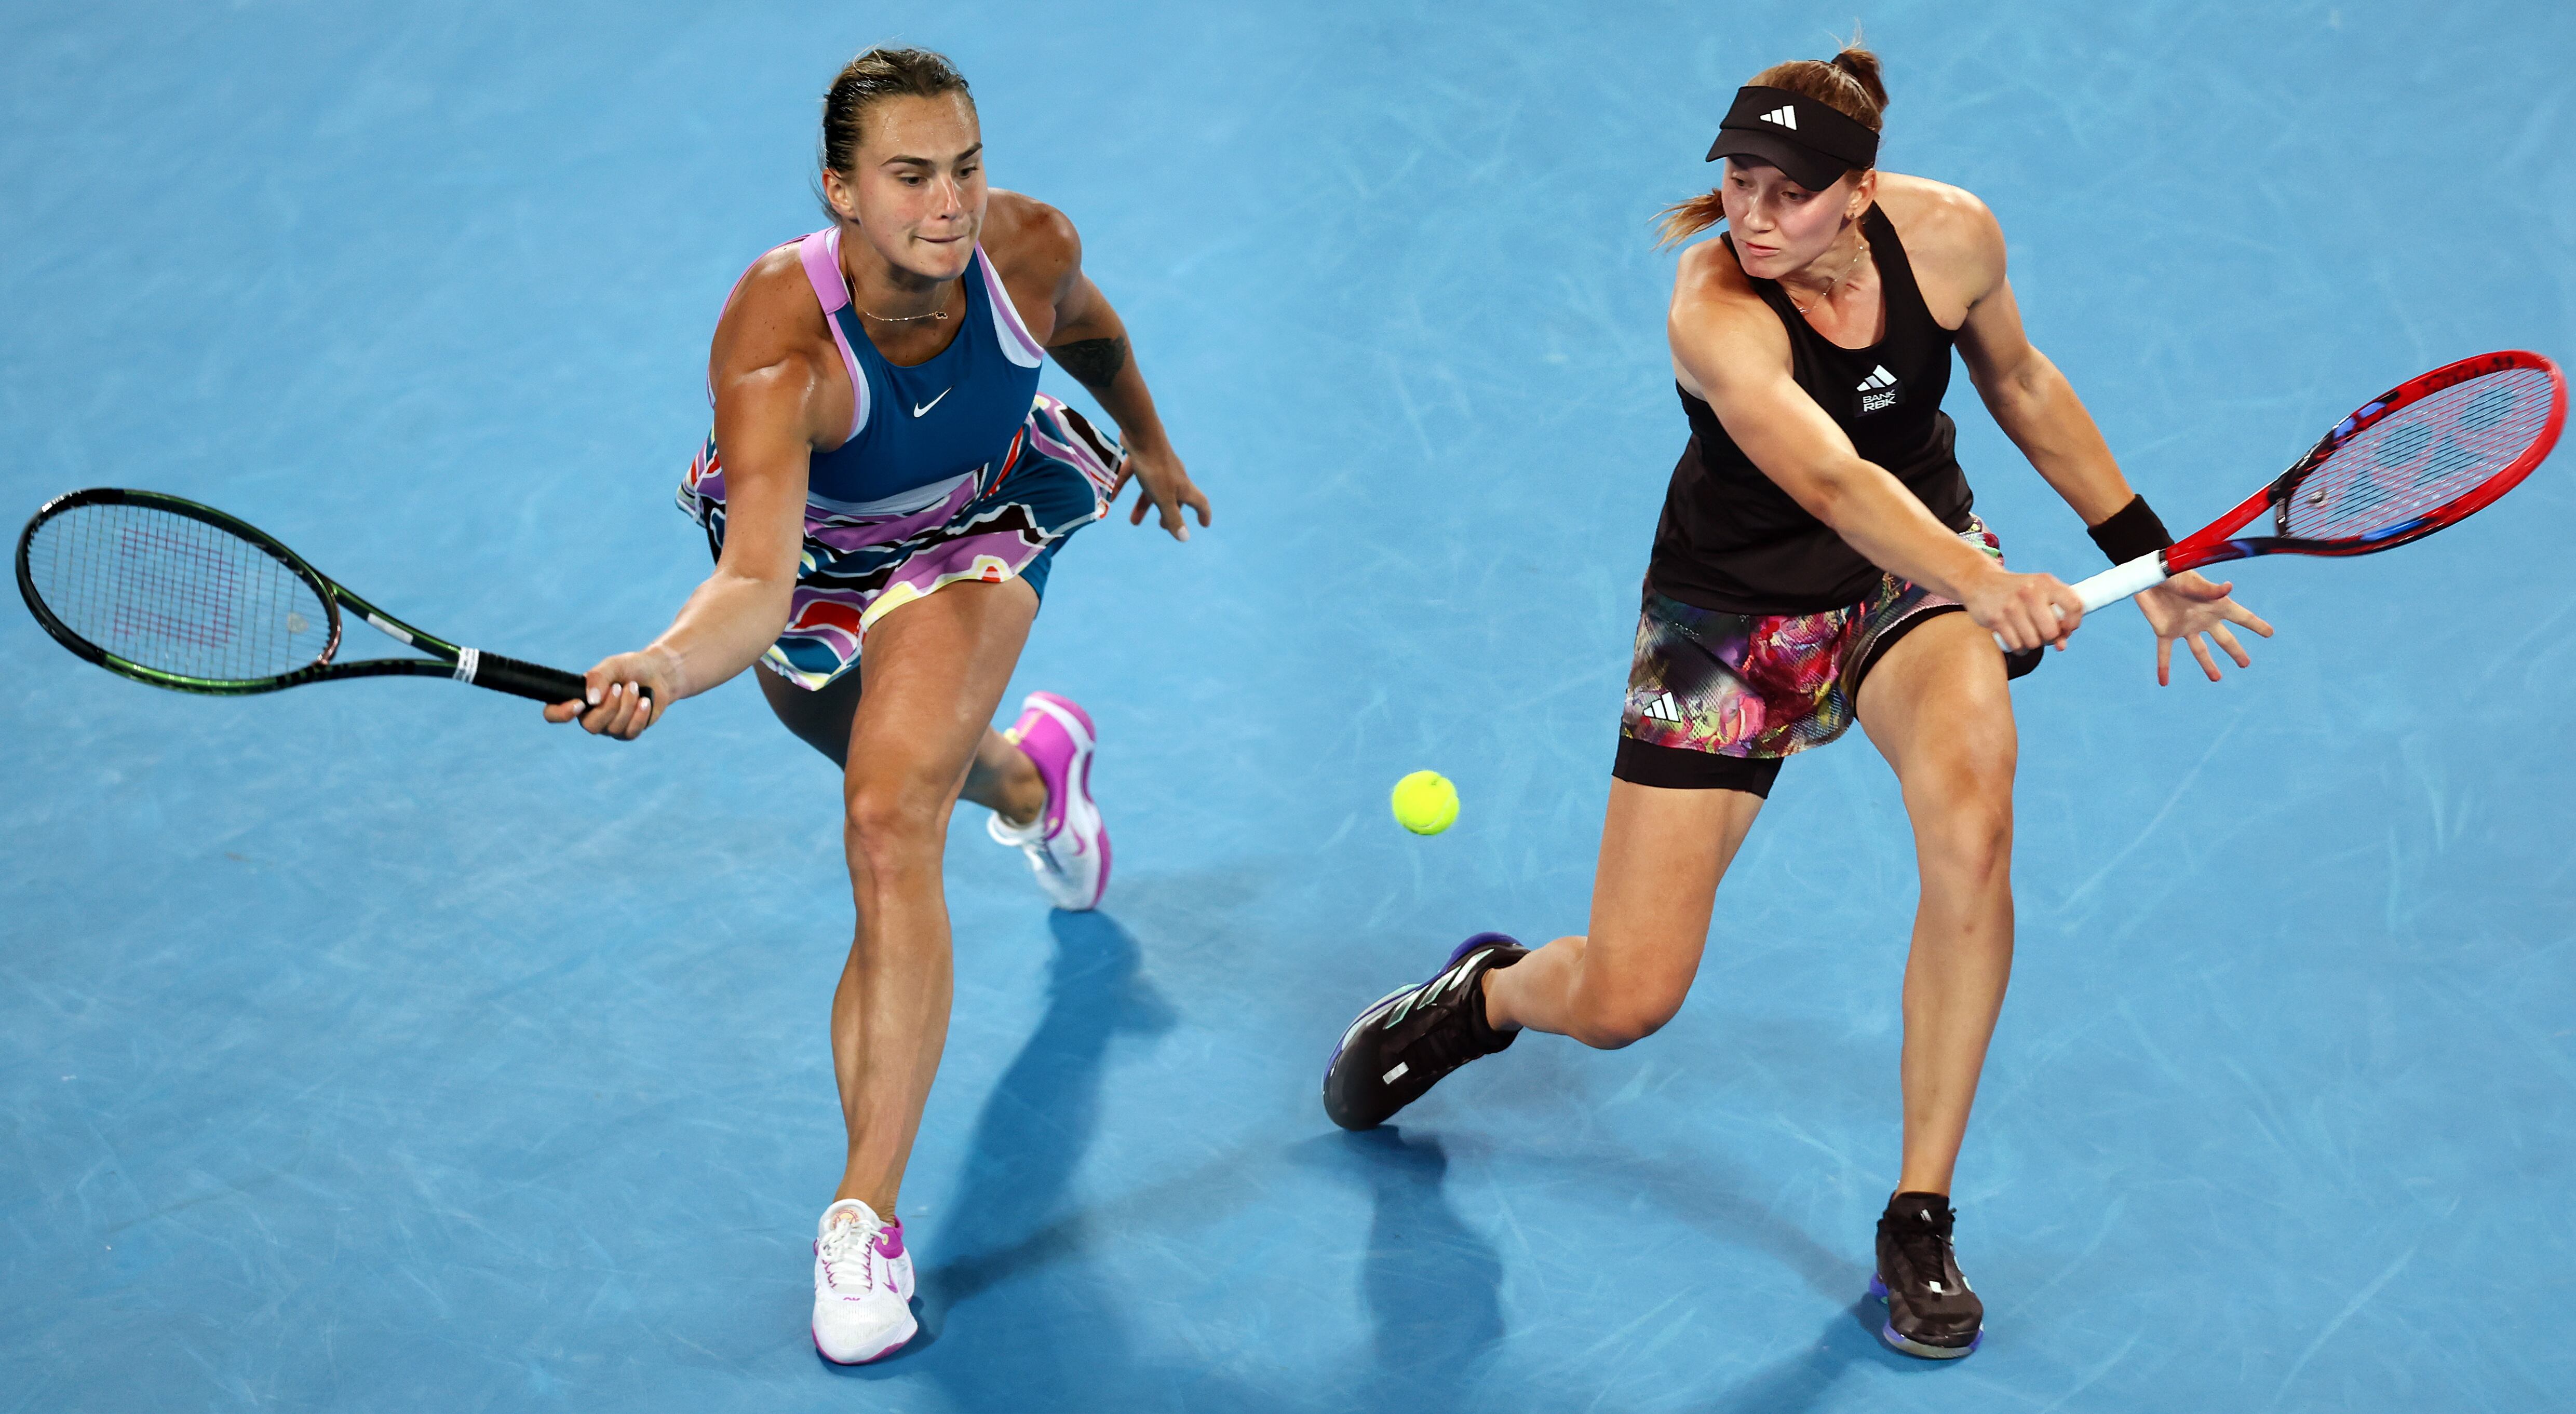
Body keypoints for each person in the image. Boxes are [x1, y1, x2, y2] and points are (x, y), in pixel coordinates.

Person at [1320, 43, 2269, 1360]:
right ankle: (1481, 998)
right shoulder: (1712, 308)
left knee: (1974, 825)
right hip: (1733, 625)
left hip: (1907, 589)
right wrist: (1987, 582)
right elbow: (1830, 484)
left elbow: (2022, 384)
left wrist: (2145, 557)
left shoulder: (1953, 237)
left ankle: (1919, 1214)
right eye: (1739, 183)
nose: (1754, 218)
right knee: (1627, 998)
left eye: (1788, 192)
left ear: (1863, 190)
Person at [545, 46, 1209, 1363]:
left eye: (964, 166)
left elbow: (1097, 336)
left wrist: (1153, 440)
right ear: (843, 191)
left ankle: (864, 1219)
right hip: (820, 557)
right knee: (889, 758)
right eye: (910, 177)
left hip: (982, 515)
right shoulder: (777, 338)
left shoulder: (1028, 248)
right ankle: (1032, 780)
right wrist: (670, 667)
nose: (949, 203)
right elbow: (751, 585)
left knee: (887, 820)